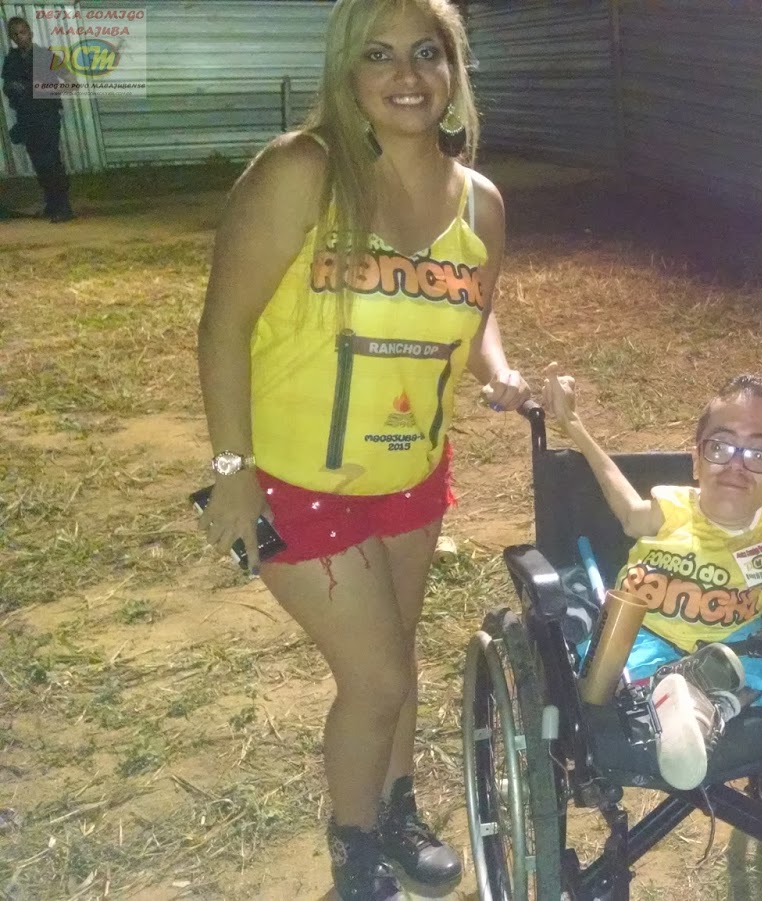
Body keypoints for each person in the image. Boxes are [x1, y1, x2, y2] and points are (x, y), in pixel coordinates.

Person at [194, 1, 532, 898]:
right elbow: (223, 326)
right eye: (379, 56)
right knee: (376, 676)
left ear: (454, 69)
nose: (406, 76)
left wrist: (501, 370)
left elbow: (476, 311)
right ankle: (354, 845)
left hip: (411, 471)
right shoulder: (301, 172)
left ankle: (396, 807)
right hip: (296, 477)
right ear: (347, 71)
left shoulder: (481, 202)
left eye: (427, 53)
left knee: (399, 652)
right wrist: (232, 473)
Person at [541, 368, 762, 790]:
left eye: (759, 453)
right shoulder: (671, 507)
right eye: (720, 446)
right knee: (624, 668)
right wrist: (574, 424)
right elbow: (625, 507)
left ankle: (692, 709)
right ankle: (691, 704)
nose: (736, 465)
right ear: (696, 460)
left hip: (731, 645)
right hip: (643, 634)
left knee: (758, 669)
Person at [4, 16, 74, 222]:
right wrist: (13, 88)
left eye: (22, 32)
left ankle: (64, 207)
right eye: (15, 34)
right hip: (26, 118)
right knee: (39, 163)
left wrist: (45, 90)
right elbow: (7, 86)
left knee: (51, 161)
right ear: (11, 38)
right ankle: (52, 205)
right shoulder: (12, 60)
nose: (19, 37)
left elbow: (71, 81)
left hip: (46, 116)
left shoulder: (45, 56)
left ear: (31, 33)